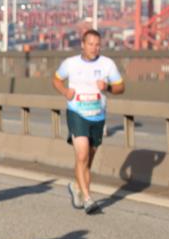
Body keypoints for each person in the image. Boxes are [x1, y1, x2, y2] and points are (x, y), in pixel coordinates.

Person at [52, 29, 124, 214]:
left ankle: (76, 186)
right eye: (90, 44)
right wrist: (65, 92)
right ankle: (87, 198)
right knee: (82, 155)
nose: (94, 48)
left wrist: (107, 86)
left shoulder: (107, 64)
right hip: (77, 113)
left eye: (97, 45)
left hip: (98, 115)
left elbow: (120, 87)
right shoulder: (71, 63)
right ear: (83, 45)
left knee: (88, 159)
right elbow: (56, 79)